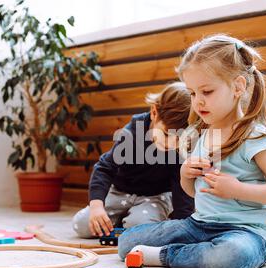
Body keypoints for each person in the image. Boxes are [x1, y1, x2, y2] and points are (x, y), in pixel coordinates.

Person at [118, 34, 266, 268]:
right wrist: (186, 176)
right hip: (198, 225)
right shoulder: (200, 134)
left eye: (207, 91)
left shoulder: (255, 137)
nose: (198, 102)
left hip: (245, 233)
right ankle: (194, 253)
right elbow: (196, 193)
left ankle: (166, 255)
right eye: (192, 93)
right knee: (127, 242)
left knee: (228, 257)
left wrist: (237, 189)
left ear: (238, 87)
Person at [72, 82, 194, 238]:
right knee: (82, 225)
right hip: (120, 192)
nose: (171, 144)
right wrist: (96, 206)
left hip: (155, 197)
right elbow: (104, 168)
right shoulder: (133, 131)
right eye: (165, 134)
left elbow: (182, 188)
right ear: (154, 113)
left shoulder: (180, 149)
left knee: (139, 228)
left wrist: (180, 226)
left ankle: (130, 221)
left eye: (178, 139)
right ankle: (119, 220)